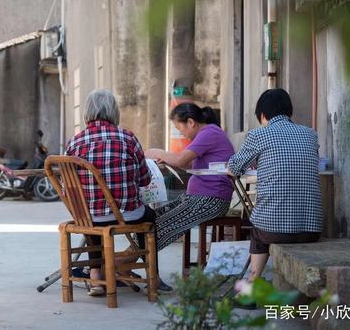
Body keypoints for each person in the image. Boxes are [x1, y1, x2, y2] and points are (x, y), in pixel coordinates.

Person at [65, 89, 170, 296]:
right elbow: (144, 180)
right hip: (127, 216)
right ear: (114, 112)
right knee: (150, 217)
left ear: (87, 113)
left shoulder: (74, 143)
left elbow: (67, 189)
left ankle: (96, 278)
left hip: (91, 217)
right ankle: (153, 277)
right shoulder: (128, 138)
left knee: (89, 215)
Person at [228, 88, 322, 282]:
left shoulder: (258, 135)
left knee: (257, 233)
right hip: (312, 229)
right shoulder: (310, 134)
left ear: (262, 115)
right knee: (265, 225)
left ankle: (251, 288)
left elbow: (233, 168)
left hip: (274, 231)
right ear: (289, 111)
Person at [145, 103, 235, 252]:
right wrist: (169, 160)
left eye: (180, 129)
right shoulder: (208, 133)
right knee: (151, 219)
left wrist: (157, 152)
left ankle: (125, 262)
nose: (182, 134)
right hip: (198, 197)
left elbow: (181, 159)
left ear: (191, 122)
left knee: (160, 226)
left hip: (210, 199)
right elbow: (189, 165)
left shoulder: (209, 133)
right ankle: (128, 261)